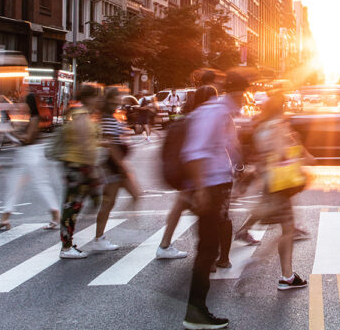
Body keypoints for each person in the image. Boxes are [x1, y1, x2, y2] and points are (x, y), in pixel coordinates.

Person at [180, 70, 246, 329]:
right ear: (236, 92)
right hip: (210, 185)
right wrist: (201, 190)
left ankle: (197, 310)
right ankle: (195, 312)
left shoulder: (221, 113)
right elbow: (194, 151)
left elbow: (230, 146)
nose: (245, 99)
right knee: (206, 249)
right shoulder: (214, 112)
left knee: (208, 248)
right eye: (244, 93)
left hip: (216, 185)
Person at [249, 93, 311, 290]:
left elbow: (260, 155)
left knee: (286, 227)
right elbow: (282, 151)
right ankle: (263, 264)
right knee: (287, 230)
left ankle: (288, 275)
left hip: (269, 182)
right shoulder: (278, 125)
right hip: (281, 184)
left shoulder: (261, 127)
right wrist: (299, 153)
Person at [156, 85, 219, 260]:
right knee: (202, 209)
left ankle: (165, 244)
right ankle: (207, 254)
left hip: (183, 172)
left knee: (182, 205)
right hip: (192, 173)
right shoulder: (200, 118)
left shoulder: (189, 115)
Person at [0, 90, 60, 231]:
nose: (21, 106)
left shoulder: (34, 119)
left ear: (30, 105)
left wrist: (10, 128)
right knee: (14, 186)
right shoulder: (31, 118)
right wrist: (11, 126)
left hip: (31, 156)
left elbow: (27, 139)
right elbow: (23, 138)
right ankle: (5, 219)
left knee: (40, 185)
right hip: (26, 156)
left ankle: (56, 215)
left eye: (24, 103)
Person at [57, 85, 104, 259]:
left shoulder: (80, 114)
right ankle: (66, 247)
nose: (98, 100)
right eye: (96, 97)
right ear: (89, 98)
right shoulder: (81, 116)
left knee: (73, 205)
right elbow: (85, 146)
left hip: (76, 165)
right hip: (78, 166)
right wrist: (92, 171)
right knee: (71, 207)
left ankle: (67, 244)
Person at [92, 87, 141, 252]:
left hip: (115, 165)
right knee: (108, 202)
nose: (117, 103)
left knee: (135, 194)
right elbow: (111, 145)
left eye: (118, 100)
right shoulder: (107, 119)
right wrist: (122, 167)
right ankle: (100, 237)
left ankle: (126, 226)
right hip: (112, 166)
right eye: (114, 100)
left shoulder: (111, 118)